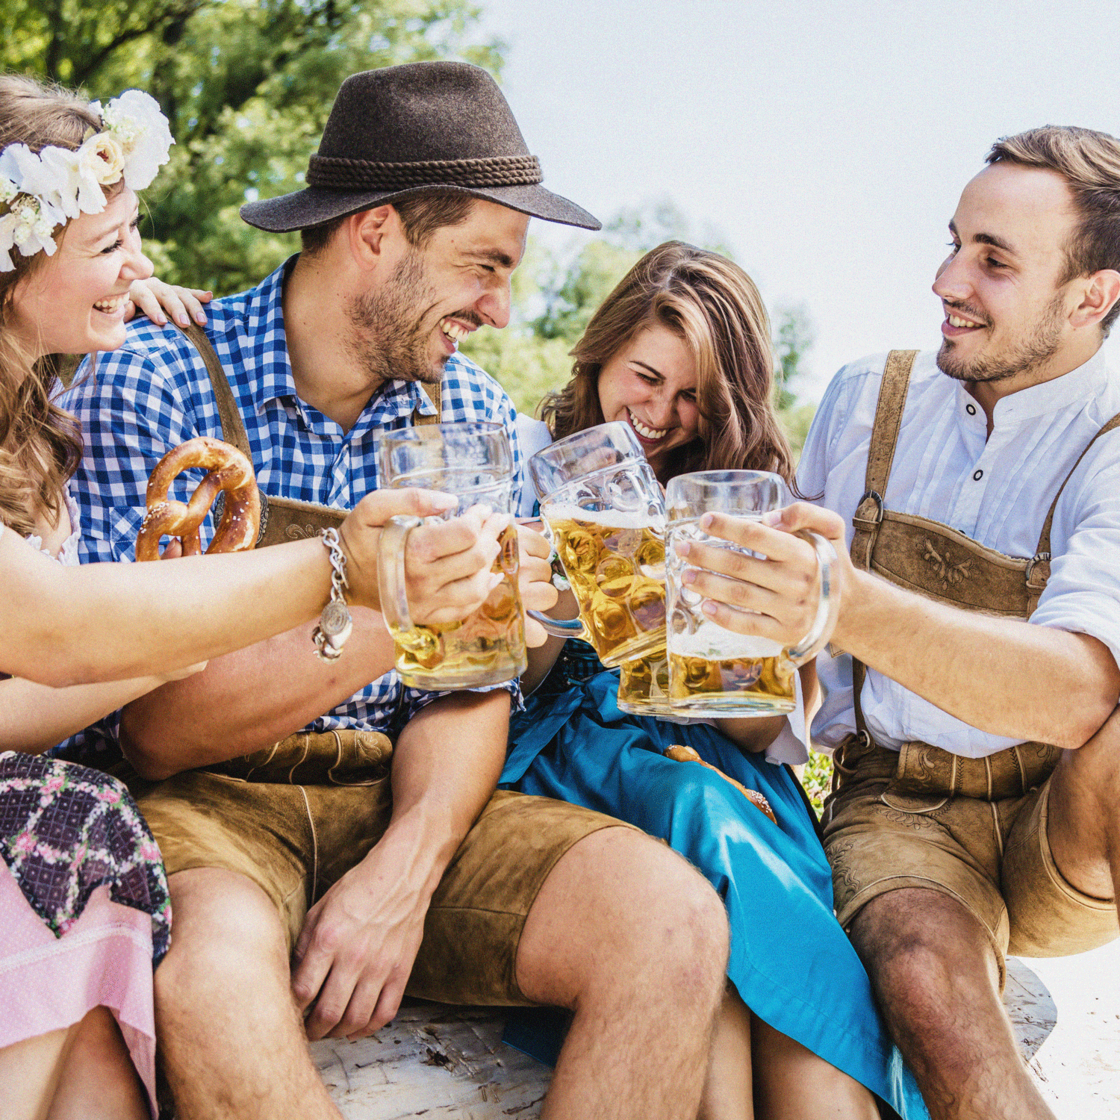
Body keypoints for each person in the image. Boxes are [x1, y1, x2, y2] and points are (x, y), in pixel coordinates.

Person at [64, 61, 732, 1120]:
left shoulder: (468, 412)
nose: (502, 309)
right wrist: (389, 605)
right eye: (482, 265)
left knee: (671, 921)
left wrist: (404, 873)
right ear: (375, 233)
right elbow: (150, 731)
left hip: (402, 793)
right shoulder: (152, 379)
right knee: (209, 983)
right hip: (208, 812)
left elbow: (466, 690)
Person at [0, 74, 510, 1119]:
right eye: (112, 245)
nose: (147, 270)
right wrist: (349, 583)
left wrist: (99, 279)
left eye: (137, 236)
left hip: (67, 823)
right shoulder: (139, 379)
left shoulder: (37, 410)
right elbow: (52, 639)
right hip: (75, 813)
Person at [681, 127, 1120, 1120]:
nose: (945, 279)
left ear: (1093, 295)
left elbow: (1081, 692)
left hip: (1067, 822)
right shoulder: (863, 401)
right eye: (954, 241)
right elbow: (781, 675)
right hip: (900, 811)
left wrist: (847, 598)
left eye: (993, 261)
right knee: (924, 975)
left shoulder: (1112, 436)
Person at [504, 241, 929, 1120]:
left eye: (693, 395)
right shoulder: (532, 455)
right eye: (645, 377)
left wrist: (718, 649)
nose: (661, 414)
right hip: (567, 757)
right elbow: (521, 681)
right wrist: (553, 592)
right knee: (700, 828)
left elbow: (753, 728)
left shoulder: (741, 500)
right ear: (602, 351)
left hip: (718, 767)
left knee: (734, 879)